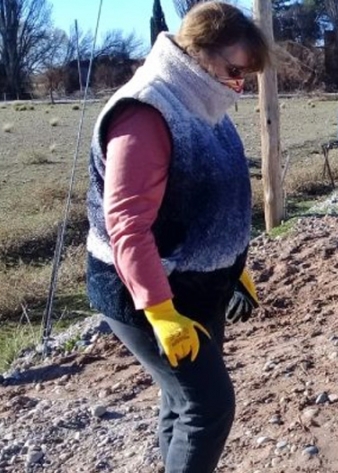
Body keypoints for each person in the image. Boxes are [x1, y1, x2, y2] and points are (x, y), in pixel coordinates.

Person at [85, 3, 268, 471]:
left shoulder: (201, 96)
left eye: (244, 75)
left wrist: (234, 263)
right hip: (148, 290)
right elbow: (127, 223)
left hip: (200, 282)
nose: (238, 84)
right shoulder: (146, 111)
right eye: (233, 69)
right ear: (198, 50)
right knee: (208, 407)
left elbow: (208, 194)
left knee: (180, 402)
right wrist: (159, 310)